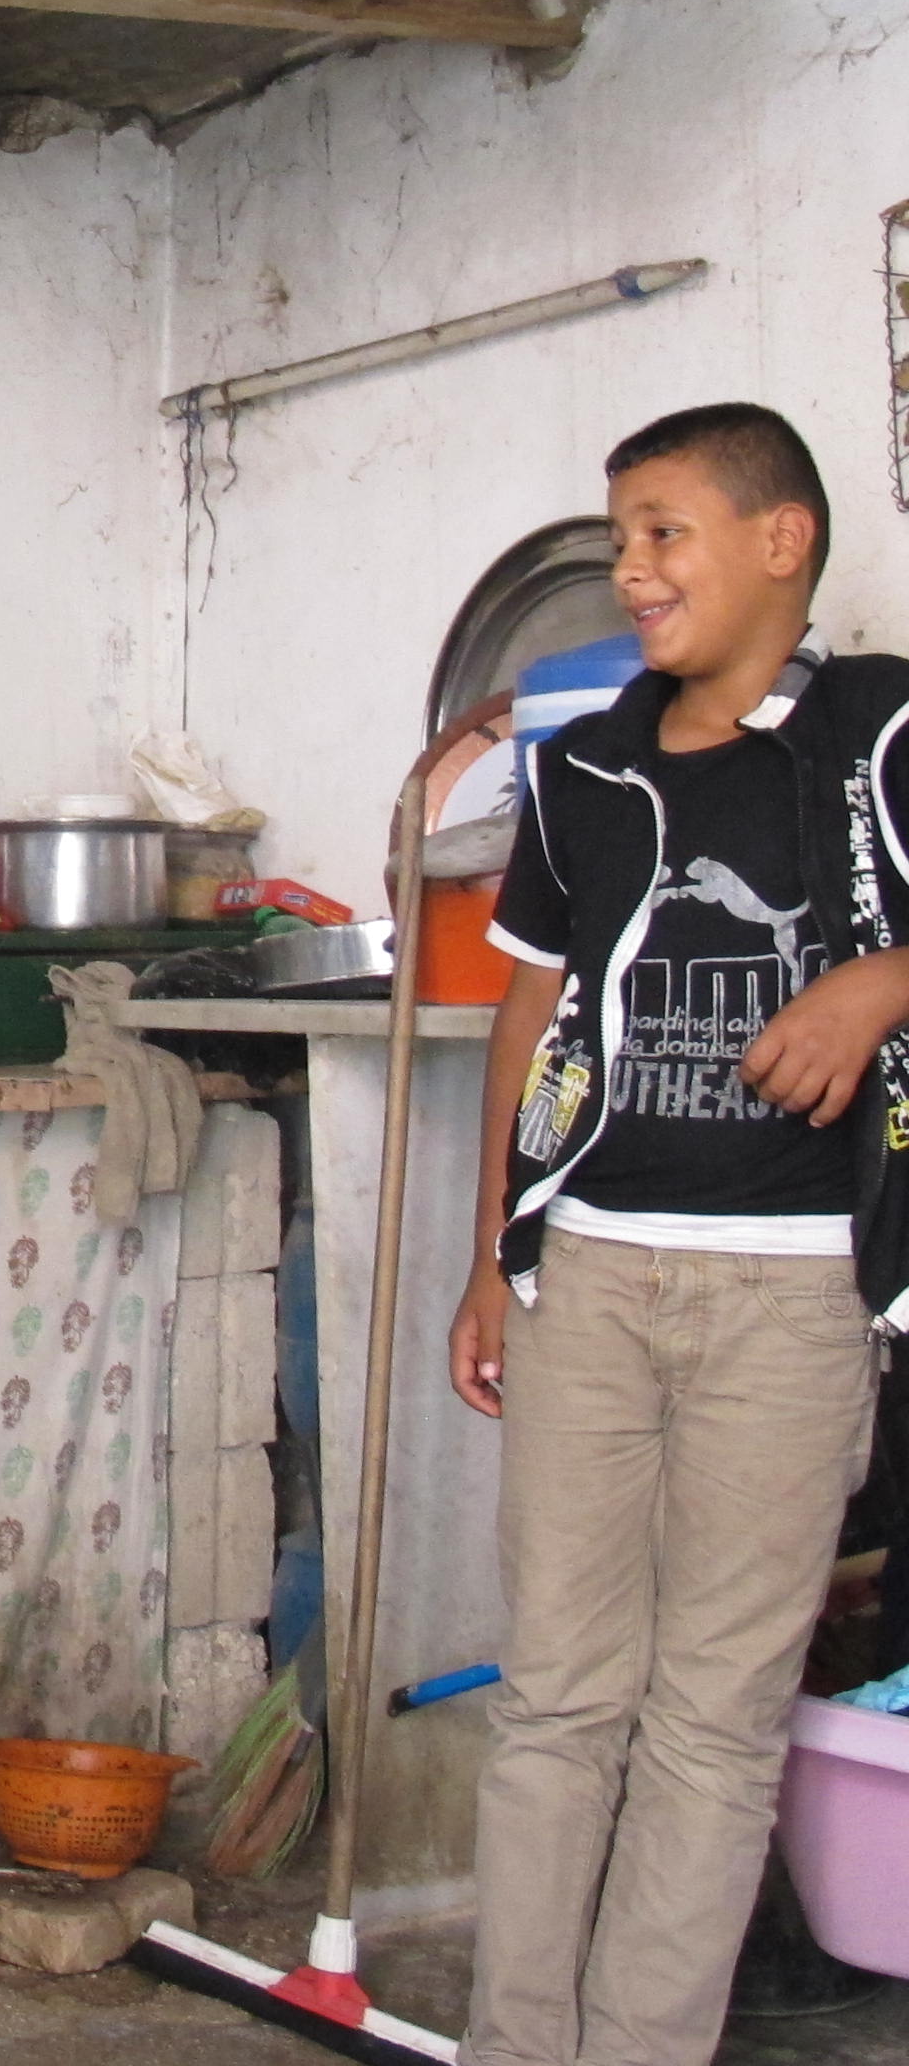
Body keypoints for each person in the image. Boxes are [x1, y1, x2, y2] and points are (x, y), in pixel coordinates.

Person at [448, 403, 909, 2066]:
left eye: (663, 531)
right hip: (594, 1276)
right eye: (622, 535)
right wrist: (493, 1253)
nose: (631, 572)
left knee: (715, 1725)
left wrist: (885, 978)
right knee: (560, 1702)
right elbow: (536, 1009)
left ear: (781, 542)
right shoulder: (588, 768)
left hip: (795, 1301)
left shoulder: (885, 728)